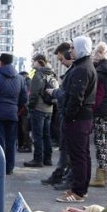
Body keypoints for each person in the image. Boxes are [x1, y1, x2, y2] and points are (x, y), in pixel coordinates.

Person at [54, 36, 96, 203]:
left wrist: (68, 116)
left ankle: (78, 191)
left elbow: (75, 97)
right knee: (82, 155)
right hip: (81, 118)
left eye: (72, 47)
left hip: (77, 119)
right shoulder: (83, 66)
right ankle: (80, 189)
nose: (69, 50)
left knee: (78, 156)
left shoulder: (81, 69)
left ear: (80, 48)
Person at [0, 53, 27, 175]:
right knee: (11, 142)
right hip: (12, 113)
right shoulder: (20, 78)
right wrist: (16, 110)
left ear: (1, 62)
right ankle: (9, 168)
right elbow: (24, 98)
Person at [41, 42, 74, 187]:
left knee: (69, 148)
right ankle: (63, 174)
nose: (61, 62)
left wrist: (55, 92)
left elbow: (71, 95)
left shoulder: (77, 71)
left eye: (61, 59)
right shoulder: (73, 71)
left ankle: (64, 175)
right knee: (65, 147)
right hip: (66, 114)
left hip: (71, 116)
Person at [88, 42, 107, 188]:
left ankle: (100, 177)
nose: (94, 56)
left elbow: (98, 95)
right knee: (104, 142)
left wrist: (92, 109)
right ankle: (103, 174)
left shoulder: (100, 72)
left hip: (102, 111)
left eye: (96, 53)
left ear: (100, 54)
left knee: (100, 143)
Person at [24, 53, 57, 168]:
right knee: (47, 135)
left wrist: (30, 106)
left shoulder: (39, 74)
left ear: (39, 62)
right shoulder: (51, 74)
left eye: (33, 61)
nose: (32, 63)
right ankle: (48, 159)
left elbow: (34, 94)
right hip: (49, 109)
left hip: (38, 108)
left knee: (37, 135)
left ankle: (37, 159)